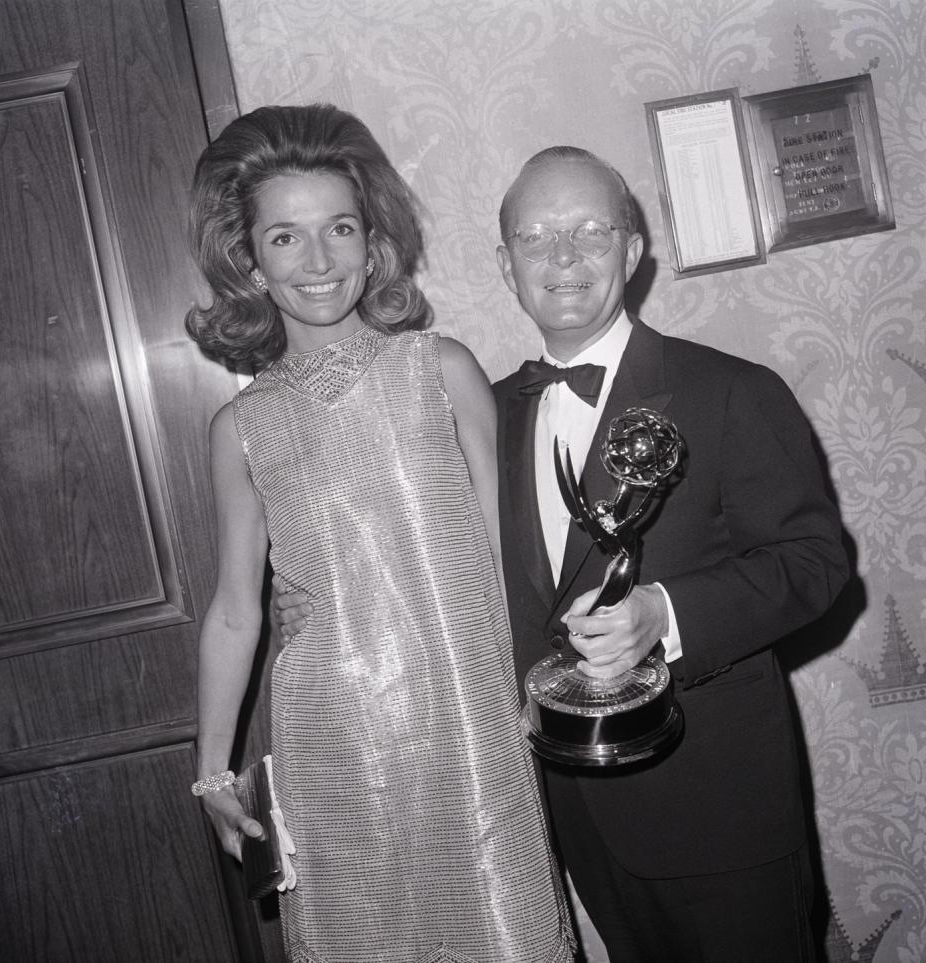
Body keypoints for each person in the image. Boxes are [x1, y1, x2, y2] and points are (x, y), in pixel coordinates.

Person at [278, 145, 849, 963]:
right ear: (505, 265)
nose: (565, 256)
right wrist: (311, 599)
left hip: (719, 812)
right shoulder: (482, 414)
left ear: (633, 247)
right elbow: (417, 562)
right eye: (537, 238)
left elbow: (816, 562)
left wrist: (666, 613)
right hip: (567, 811)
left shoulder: (733, 391)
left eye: (590, 230)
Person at [186, 104, 574, 963]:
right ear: (249, 259)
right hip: (332, 736)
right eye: (285, 238)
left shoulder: (440, 369)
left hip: (473, 722)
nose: (318, 260)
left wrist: (532, 689)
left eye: (340, 229)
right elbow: (234, 610)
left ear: (374, 243)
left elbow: (516, 556)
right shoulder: (241, 424)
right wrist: (214, 768)